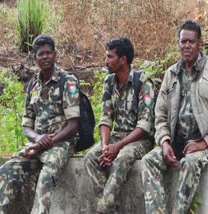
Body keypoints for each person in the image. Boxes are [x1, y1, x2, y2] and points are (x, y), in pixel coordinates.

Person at [141, 20, 208, 214]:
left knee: (190, 162)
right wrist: (165, 142)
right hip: (176, 143)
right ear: (178, 43)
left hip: (207, 146)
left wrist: (205, 141)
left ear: (200, 43)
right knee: (149, 160)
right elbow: (159, 114)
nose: (186, 46)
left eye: (191, 42)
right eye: (183, 41)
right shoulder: (171, 74)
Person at [0, 35, 80, 214]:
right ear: (35, 58)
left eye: (48, 53)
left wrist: (46, 142)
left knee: (46, 178)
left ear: (55, 55)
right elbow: (26, 125)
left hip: (61, 144)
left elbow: (73, 125)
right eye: (40, 54)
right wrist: (37, 139)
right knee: (5, 171)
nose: (45, 57)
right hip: (37, 145)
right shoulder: (33, 85)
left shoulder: (67, 81)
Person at [84, 37, 155, 214]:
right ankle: (109, 209)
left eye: (109, 57)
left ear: (122, 59)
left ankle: (102, 208)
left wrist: (118, 147)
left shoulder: (143, 83)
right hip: (117, 137)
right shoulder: (109, 82)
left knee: (122, 158)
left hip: (139, 140)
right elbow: (106, 119)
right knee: (91, 157)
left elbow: (144, 126)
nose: (105, 61)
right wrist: (106, 146)